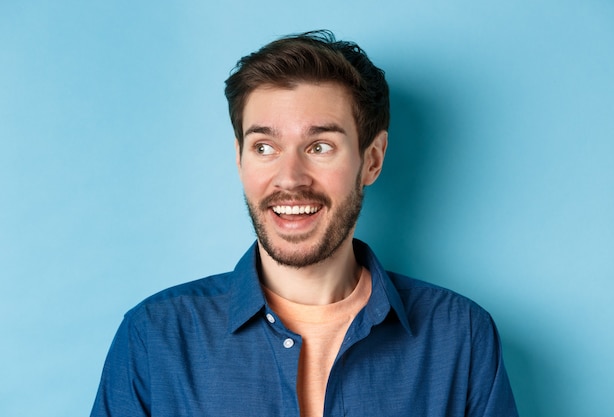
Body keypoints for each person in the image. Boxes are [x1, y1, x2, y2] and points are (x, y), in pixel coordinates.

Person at [91, 30, 518, 417]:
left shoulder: (460, 337)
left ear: (371, 159)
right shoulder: (155, 338)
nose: (290, 178)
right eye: (264, 147)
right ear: (239, 159)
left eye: (319, 146)